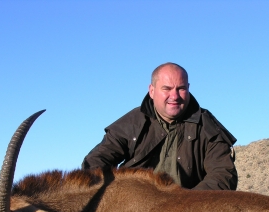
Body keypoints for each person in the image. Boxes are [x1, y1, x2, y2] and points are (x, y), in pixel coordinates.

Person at [82, 63, 238, 190]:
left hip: (188, 211)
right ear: (152, 91)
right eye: (167, 89)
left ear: (189, 88)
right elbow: (95, 161)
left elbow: (223, 175)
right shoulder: (132, 122)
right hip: (134, 206)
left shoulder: (207, 125)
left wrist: (187, 203)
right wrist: (120, 195)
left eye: (181, 89)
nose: (175, 96)